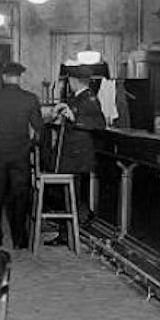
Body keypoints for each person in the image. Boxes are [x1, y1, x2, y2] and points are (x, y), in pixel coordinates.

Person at [0, 61, 42, 249]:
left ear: (3, 77)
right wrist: (29, 143)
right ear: (19, 77)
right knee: (20, 197)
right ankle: (19, 240)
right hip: (20, 154)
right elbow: (39, 128)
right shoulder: (30, 99)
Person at [46, 65, 106, 247]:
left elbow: (99, 123)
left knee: (71, 194)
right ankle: (67, 232)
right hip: (71, 155)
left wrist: (75, 118)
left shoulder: (89, 98)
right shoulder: (77, 98)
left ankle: (69, 232)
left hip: (77, 157)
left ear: (73, 81)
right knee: (66, 194)